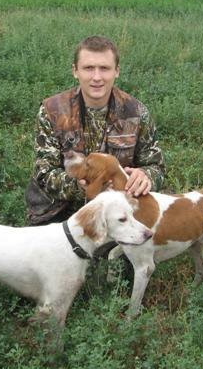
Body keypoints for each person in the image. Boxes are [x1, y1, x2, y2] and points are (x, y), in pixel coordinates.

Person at [26, 35, 165, 226]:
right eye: (89, 68)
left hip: (118, 212)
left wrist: (146, 176)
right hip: (60, 211)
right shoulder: (52, 110)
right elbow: (44, 173)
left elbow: (156, 167)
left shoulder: (137, 112)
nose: (97, 77)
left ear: (117, 71)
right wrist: (80, 186)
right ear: (75, 71)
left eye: (104, 68)